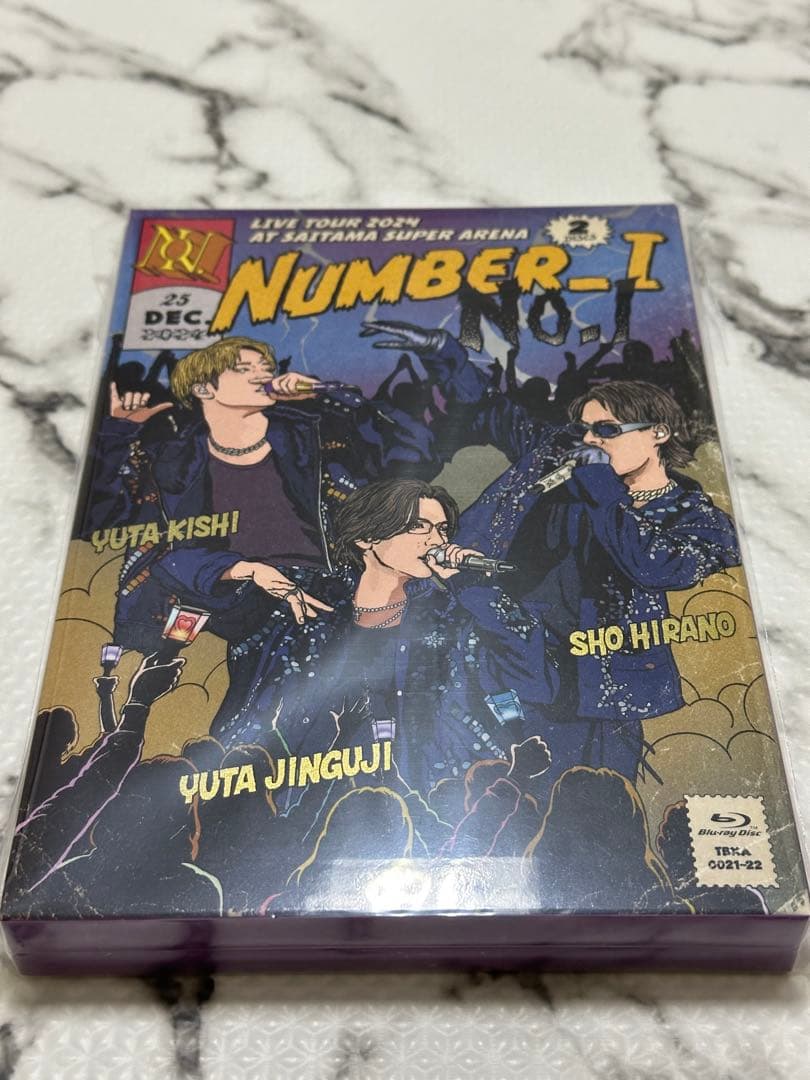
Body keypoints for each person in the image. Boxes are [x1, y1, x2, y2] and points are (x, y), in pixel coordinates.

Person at [359, 321, 741, 784]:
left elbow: (657, 565)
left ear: (658, 432)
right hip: (508, 664)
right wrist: (443, 351)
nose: (590, 442)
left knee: (590, 804)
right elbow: (493, 409)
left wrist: (600, 484)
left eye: (607, 430)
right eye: (585, 431)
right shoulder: (560, 455)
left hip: (595, 695)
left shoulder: (691, 512)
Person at [210, 477, 558, 801]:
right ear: (366, 537)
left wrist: (470, 586)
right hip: (286, 799)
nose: (436, 541)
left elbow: (536, 681)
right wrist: (247, 569)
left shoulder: (453, 616)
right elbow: (188, 583)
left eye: (441, 529)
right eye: (418, 526)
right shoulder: (306, 601)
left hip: (415, 804)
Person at [82, 336, 437, 652]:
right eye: (244, 369)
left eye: (265, 368)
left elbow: (414, 455)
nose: (261, 375)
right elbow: (106, 521)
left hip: (335, 586)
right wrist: (118, 433)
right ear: (204, 389)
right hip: (235, 600)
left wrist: (325, 392)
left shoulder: (313, 434)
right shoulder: (174, 459)